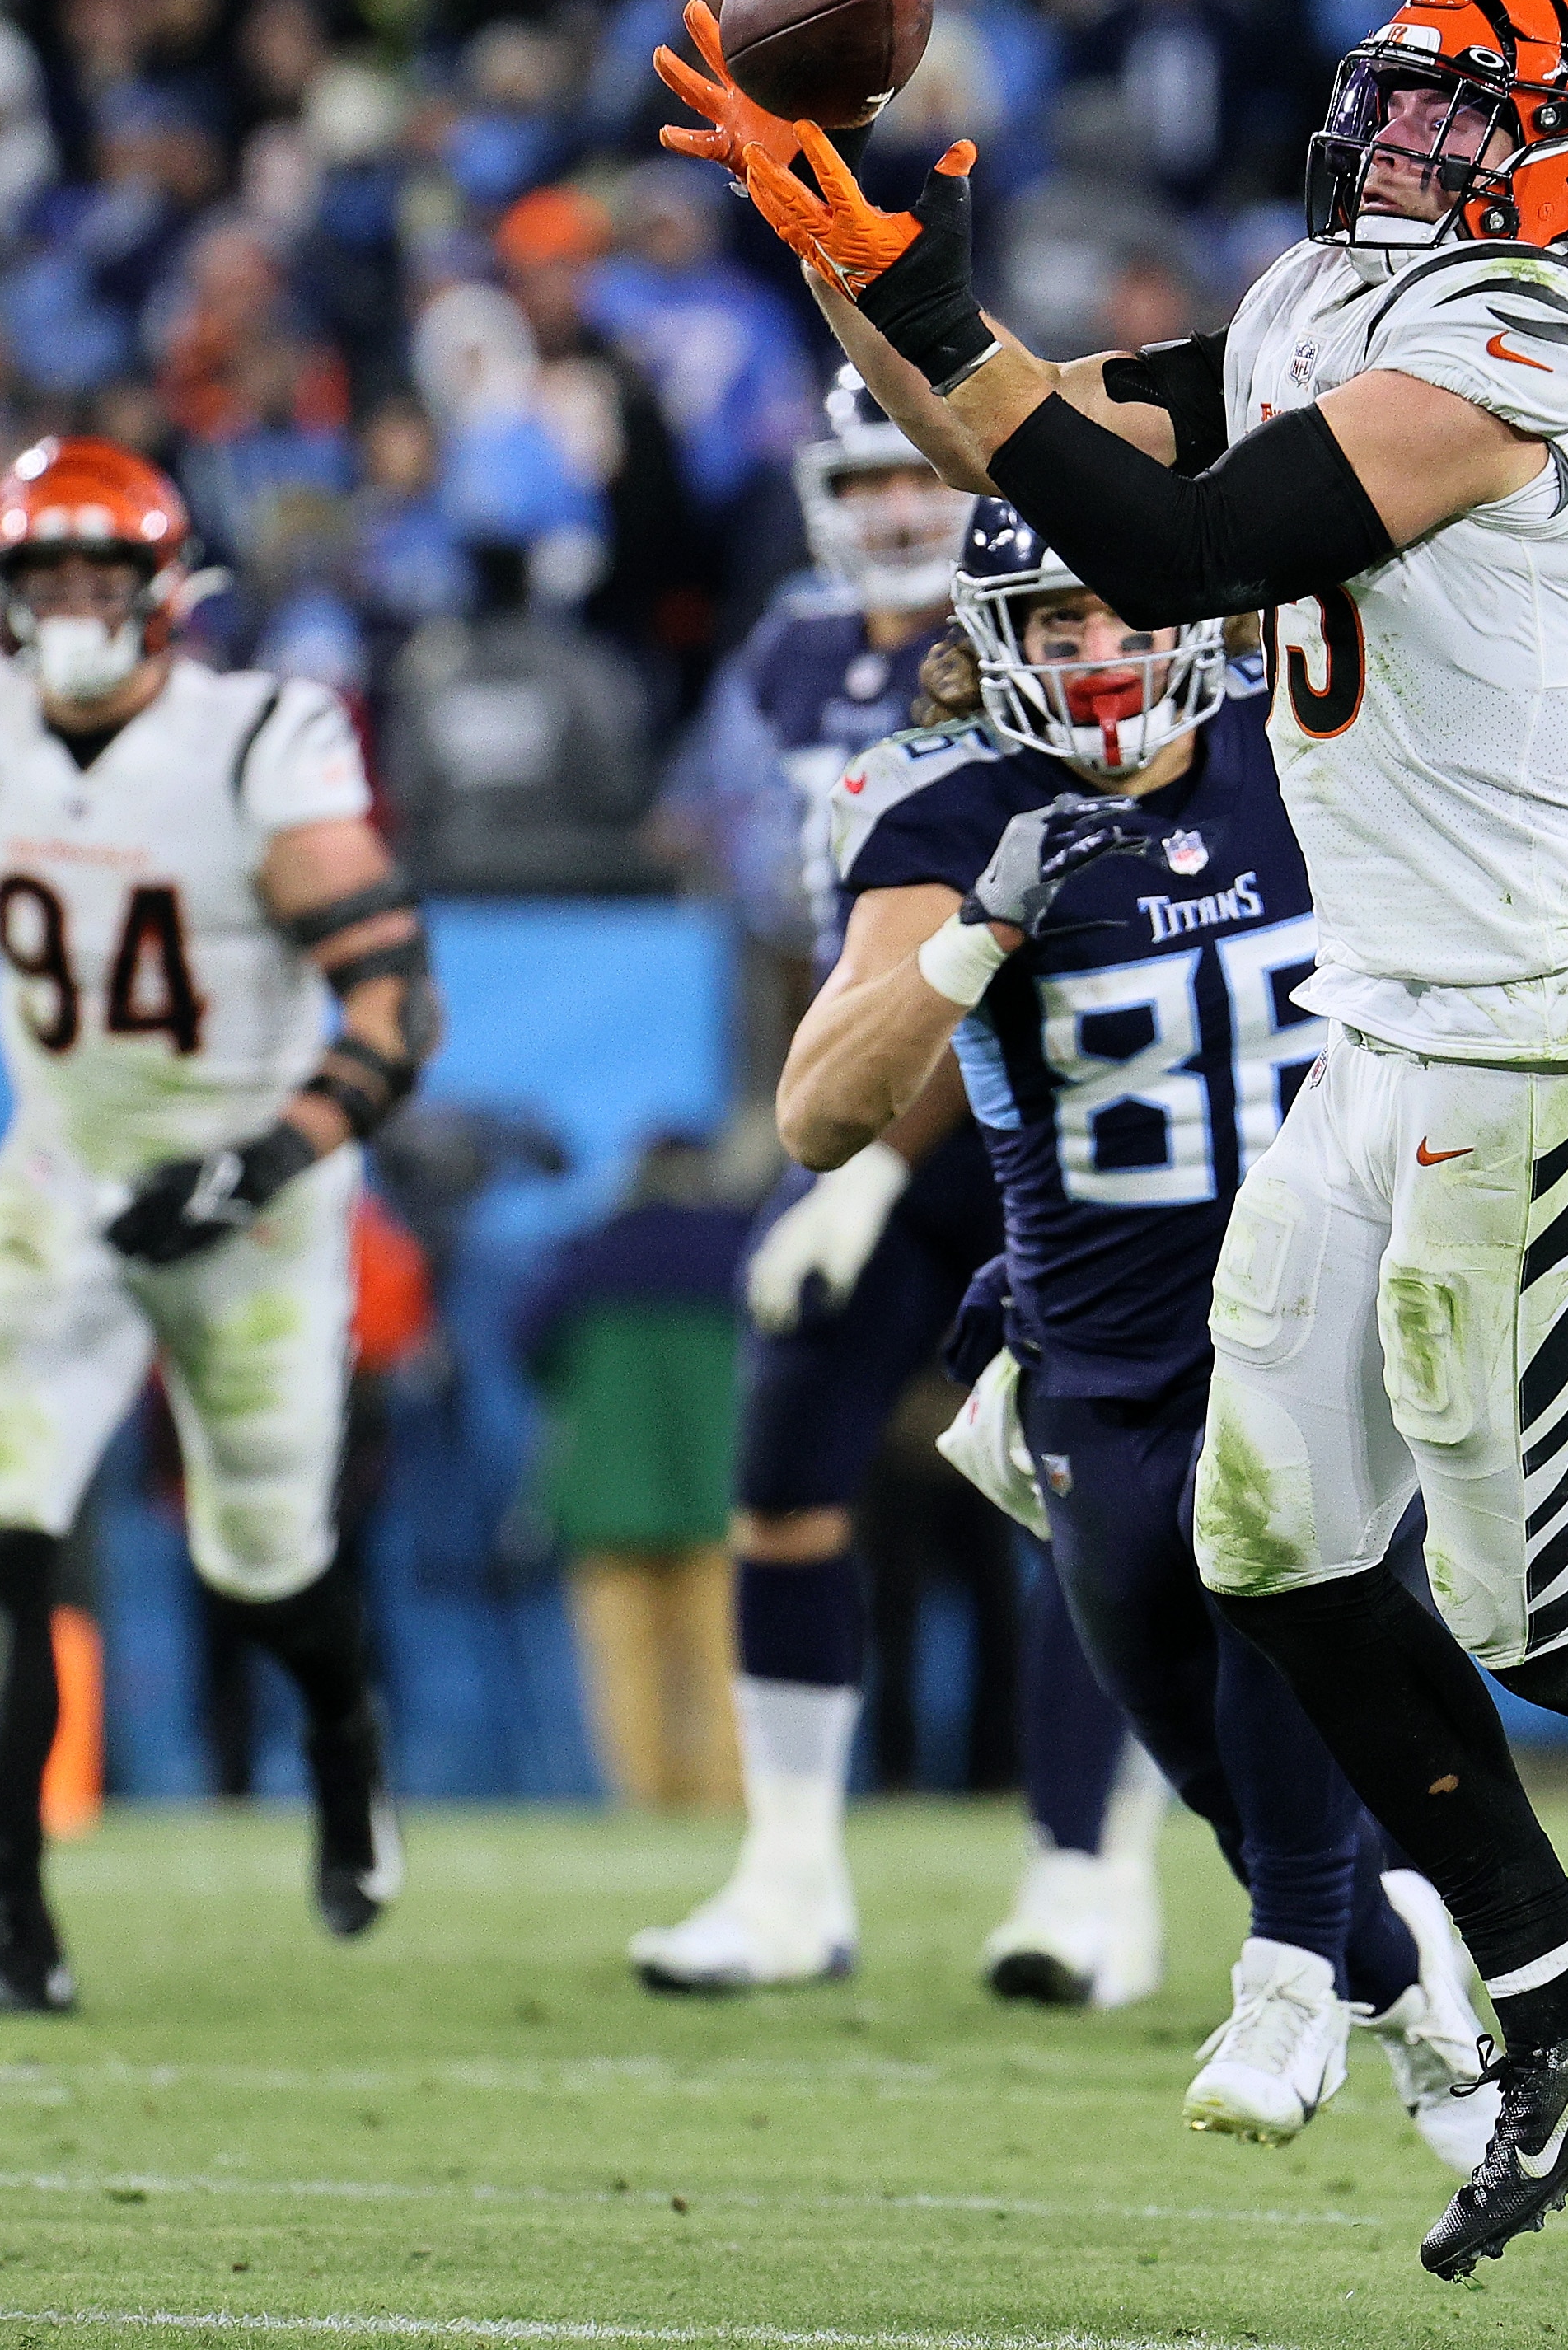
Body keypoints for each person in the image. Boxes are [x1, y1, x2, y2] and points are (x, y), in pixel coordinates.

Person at [669, 0, 1568, 2274]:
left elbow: (1178, 557)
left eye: (1459, 119)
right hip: (1382, 1024)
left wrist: (929, 307)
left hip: (1533, 1044)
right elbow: (1027, 431)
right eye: (1400, 96)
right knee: (1268, 1542)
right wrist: (851, 264)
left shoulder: (1544, 345)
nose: (1400, 139)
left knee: (1528, 1599)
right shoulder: (1330, 295)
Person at [779, 499, 1496, 2159]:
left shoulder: (1314, 743)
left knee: (1274, 1588)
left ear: (1193, 614)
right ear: (997, 644)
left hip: (1324, 1299)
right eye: (1056, 628)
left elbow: (1549, 882)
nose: (1098, 657)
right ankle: (1416, 1980)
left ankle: (1287, 1984)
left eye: (1121, 615)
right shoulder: (945, 803)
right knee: (1201, 1750)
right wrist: (981, 929)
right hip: (1091, 1348)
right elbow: (816, 1112)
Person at [0, 435, 433, 2013]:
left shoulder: (253, 744)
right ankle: (15, 1929)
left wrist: (263, 1161)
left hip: (254, 1193)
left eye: (100, 574)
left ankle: (344, 1758)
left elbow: (395, 1004)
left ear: (165, 593)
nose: (71, 605)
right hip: (63, 1170)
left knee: (268, 1561)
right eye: (43, 576)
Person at [628, 368, 1155, 2009]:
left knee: (1090, 1485)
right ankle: (788, 1868)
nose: (895, 511)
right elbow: (796, 919)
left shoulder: (1059, 611)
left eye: (912, 473)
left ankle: (1090, 1873)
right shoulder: (793, 652)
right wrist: (796, 1106)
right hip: (884, 1087)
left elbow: (1019, 928)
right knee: (784, 1440)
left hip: (1056, 1108)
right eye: (859, 484)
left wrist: (868, 1156)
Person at [519, 1131, 751, 1814]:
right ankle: (725, 1801)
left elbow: (528, 1348)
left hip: (608, 1489)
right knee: (726, 1665)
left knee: (626, 1668)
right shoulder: (747, 1250)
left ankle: (645, 1801)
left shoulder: (589, 1257)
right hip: (723, 1487)